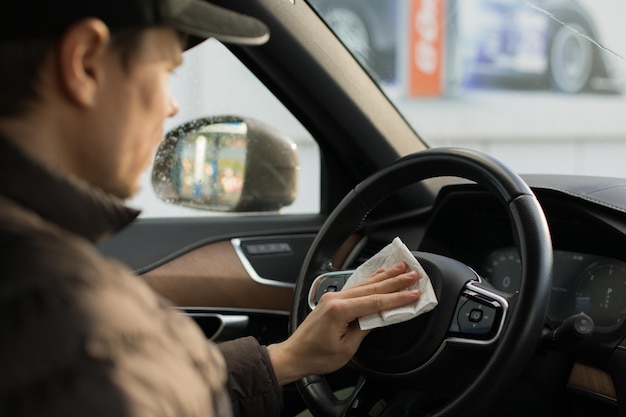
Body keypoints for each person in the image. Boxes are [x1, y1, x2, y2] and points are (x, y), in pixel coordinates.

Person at [0, 1, 423, 416]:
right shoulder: (69, 321)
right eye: (166, 71)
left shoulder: (58, 319)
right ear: (86, 64)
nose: (171, 106)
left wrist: (289, 358)